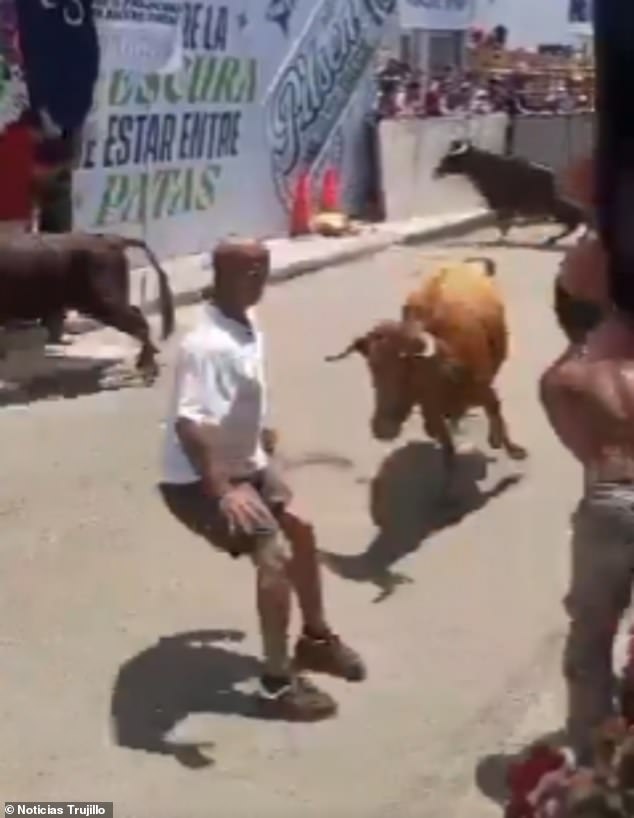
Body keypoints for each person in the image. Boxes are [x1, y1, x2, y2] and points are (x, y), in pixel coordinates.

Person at [159, 238, 366, 721]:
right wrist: (223, 490)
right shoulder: (206, 344)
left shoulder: (244, 320)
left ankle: (314, 640)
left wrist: (259, 433)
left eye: (264, 269)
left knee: (303, 530)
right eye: (250, 271)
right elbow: (190, 424)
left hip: (244, 464)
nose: (261, 279)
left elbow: (238, 394)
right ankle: (276, 686)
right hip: (196, 481)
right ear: (221, 274)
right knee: (274, 557)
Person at [540, 157, 634, 763]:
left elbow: (580, 444)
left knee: (590, 639)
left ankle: (589, 758)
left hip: (609, 499)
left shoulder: (568, 377)